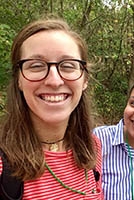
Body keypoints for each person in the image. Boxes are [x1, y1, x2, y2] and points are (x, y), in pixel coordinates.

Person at [0, 18, 103, 199]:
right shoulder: (3, 164)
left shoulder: (92, 147)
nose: (54, 81)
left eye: (68, 65)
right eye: (37, 66)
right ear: (19, 80)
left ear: (84, 80)